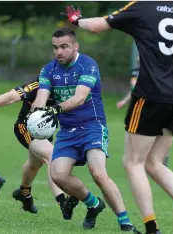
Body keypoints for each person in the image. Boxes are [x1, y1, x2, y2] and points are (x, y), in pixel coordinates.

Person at [62, 2, 173, 234]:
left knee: (133, 162)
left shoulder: (142, 7)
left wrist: (76, 20)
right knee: (154, 163)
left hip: (150, 95)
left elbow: (96, 26)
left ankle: (151, 229)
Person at [31, 27, 140, 232]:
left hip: (92, 126)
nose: (59, 52)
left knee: (98, 172)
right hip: (67, 131)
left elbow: (79, 98)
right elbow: (41, 96)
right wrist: (37, 113)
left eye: (64, 47)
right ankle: (93, 204)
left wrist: (54, 109)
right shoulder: (49, 69)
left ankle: (125, 222)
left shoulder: (87, 65)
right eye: (55, 48)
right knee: (58, 175)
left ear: (75, 46)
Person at [0, 79, 68, 215]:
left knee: (35, 164)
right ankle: (63, 201)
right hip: (26, 128)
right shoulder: (41, 82)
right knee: (52, 156)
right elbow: (13, 96)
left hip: (44, 131)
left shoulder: (70, 86)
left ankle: (24, 193)